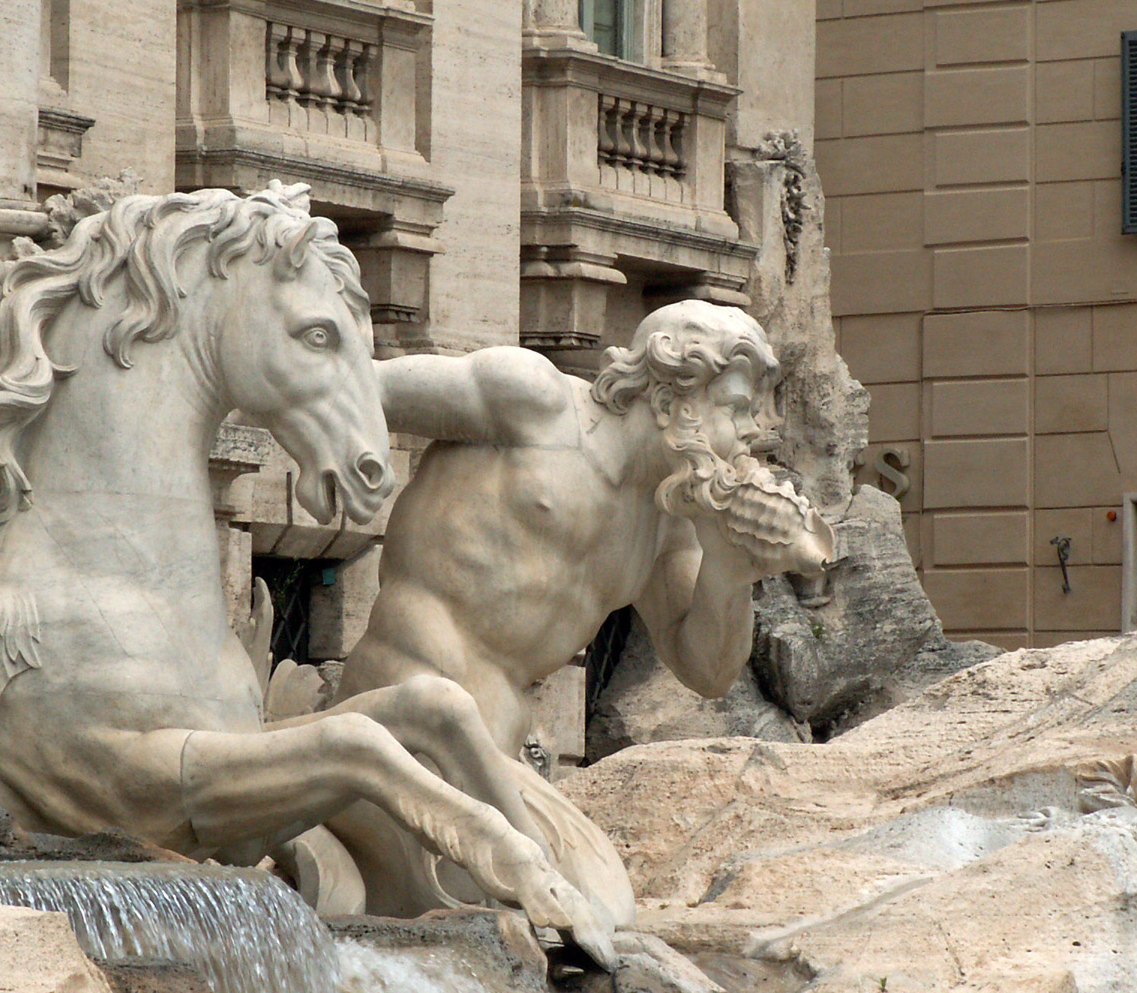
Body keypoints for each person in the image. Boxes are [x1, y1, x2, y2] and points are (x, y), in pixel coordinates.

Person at [323, 300, 833, 925]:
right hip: (400, 722)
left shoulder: (667, 520)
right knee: (588, 915)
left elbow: (707, 671)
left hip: (497, 760)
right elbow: (350, 389)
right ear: (673, 399)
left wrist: (731, 570)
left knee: (603, 911)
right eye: (737, 409)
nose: (756, 432)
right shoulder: (534, 402)